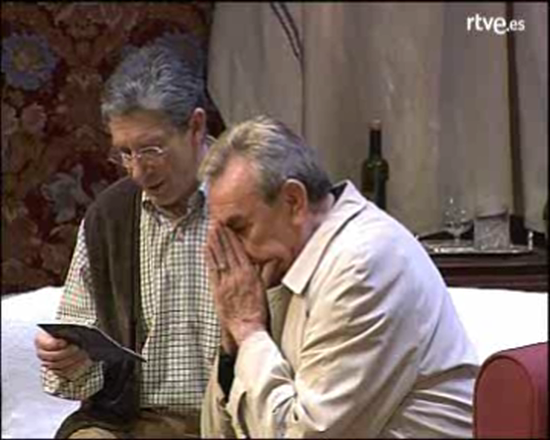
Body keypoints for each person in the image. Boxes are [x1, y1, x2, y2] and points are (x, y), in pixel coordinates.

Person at [198, 116, 480, 438]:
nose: (234, 252)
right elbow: (216, 433)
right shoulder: (286, 261)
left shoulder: (363, 263)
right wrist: (232, 344)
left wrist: (248, 329)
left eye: (239, 229)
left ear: (293, 202)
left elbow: (303, 434)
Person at [34, 41, 219, 438]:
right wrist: (69, 359)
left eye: (151, 149)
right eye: (125, 153)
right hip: (135, 422)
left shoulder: (251, 198)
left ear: (196, 127)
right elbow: (80, 358)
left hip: (234, 422)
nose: (138, 172)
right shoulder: (111, 214)